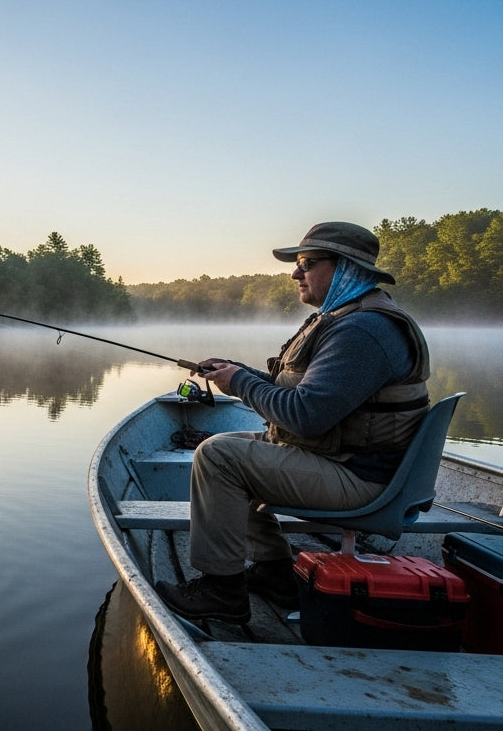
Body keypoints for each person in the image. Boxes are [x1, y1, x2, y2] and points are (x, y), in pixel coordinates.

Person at [153, 221, 430, 624]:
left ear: (345, 268)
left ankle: (222, 593)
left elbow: (306, 415)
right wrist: (236, 372)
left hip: (362, 480)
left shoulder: (362, 330)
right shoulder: (347, 317)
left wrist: (241, 383)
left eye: (306, 263)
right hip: (348, 461)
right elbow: (300, 390)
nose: (295, 273)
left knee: (219, 457)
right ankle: (273, 572)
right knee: (235, 447)